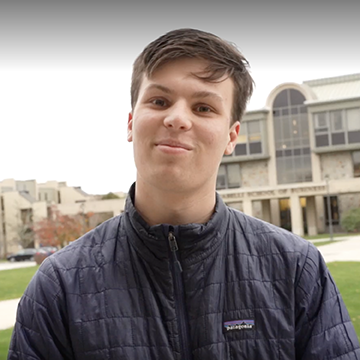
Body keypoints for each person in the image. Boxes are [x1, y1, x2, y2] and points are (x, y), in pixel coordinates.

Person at [8, 28, 360, 360]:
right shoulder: (59, 287)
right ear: (131, 123)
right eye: (159, 101)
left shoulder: (297, 268)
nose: (177, 119)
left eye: (203, 107)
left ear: (232, 136)